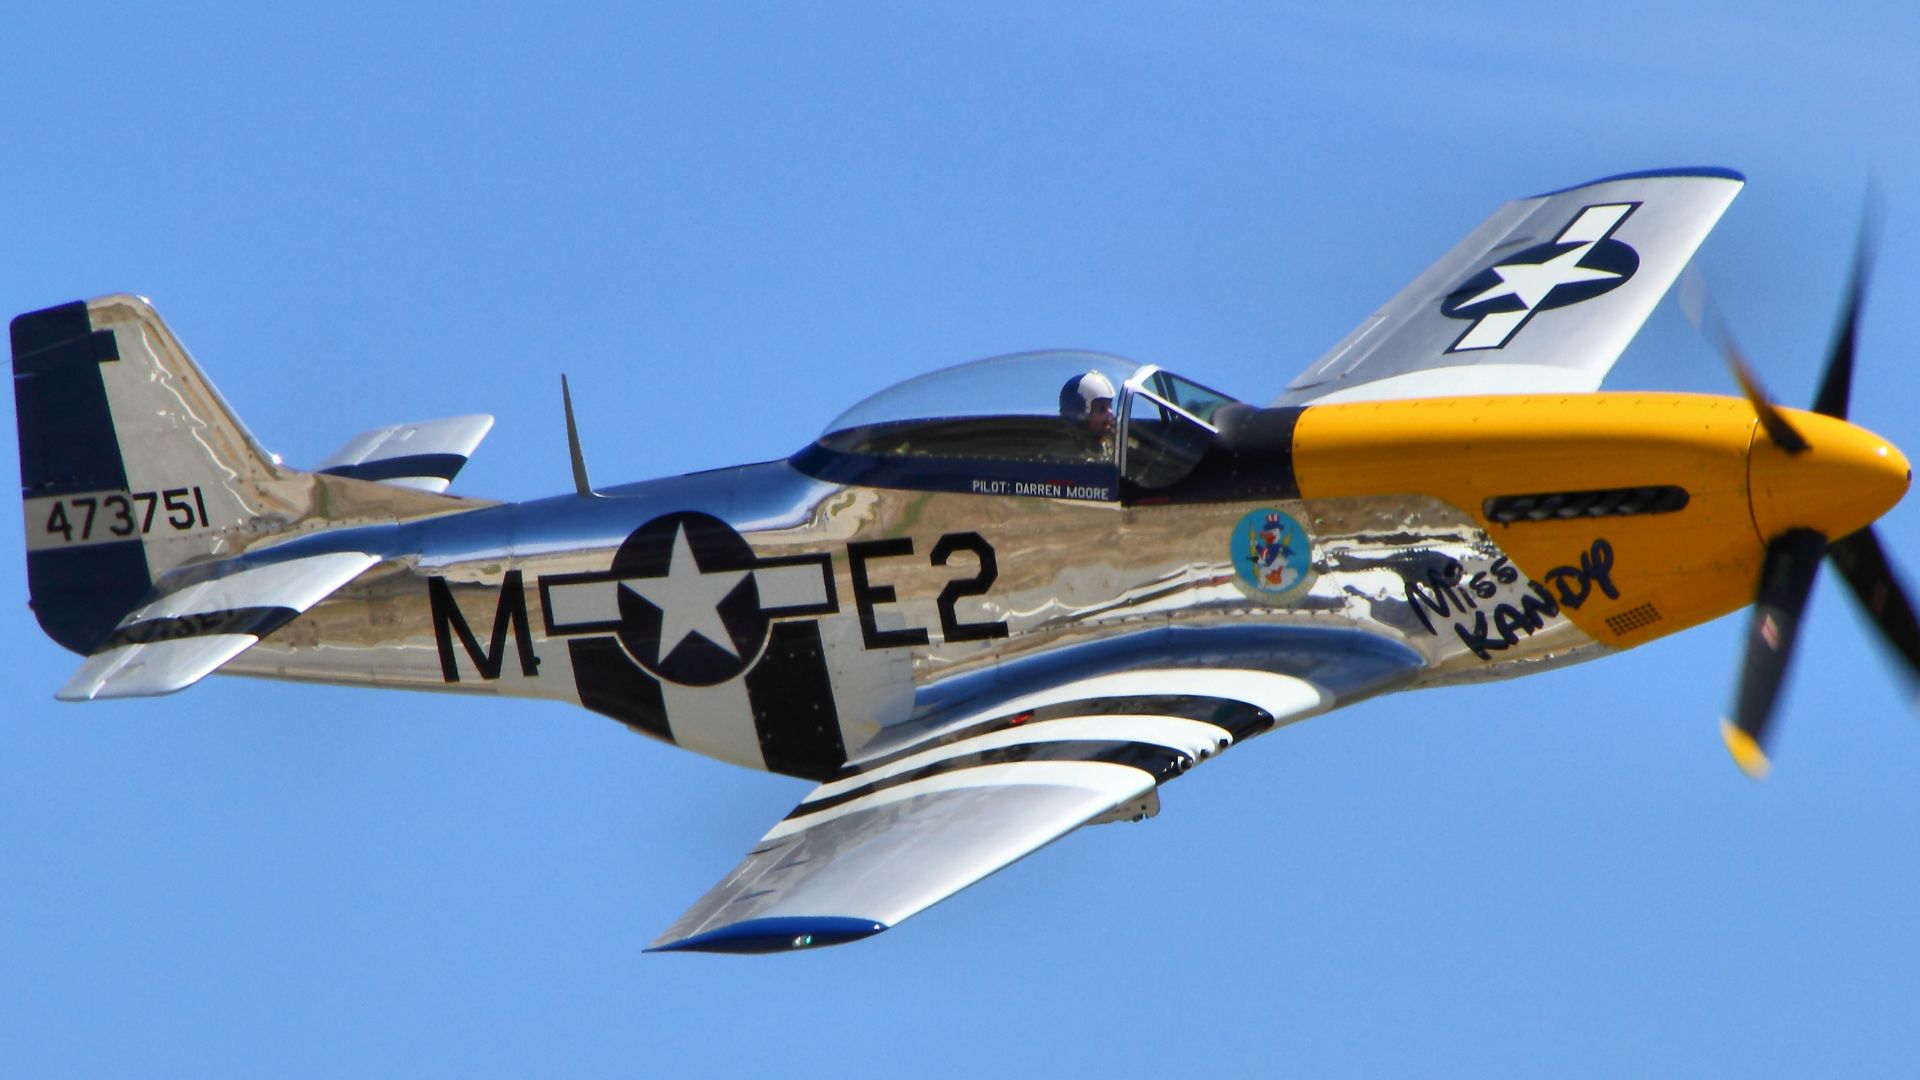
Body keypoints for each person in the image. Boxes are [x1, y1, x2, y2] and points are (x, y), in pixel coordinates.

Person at [1058, 370, 1116, 459]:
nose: (1110, 414)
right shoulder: (1064, 457)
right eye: (1101, 409)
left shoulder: (1114, 446)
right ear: (1080, 415)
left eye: (1110, 406)